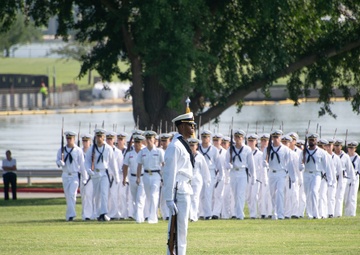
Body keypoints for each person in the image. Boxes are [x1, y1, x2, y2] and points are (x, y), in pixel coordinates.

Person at [163, 111, 196, 255]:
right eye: (190, 125)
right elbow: (169, 173)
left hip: (184, 188)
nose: (193, 127)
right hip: (178, 190)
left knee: (182, 229)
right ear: (182, 126)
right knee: (177, 230)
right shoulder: (175, 146)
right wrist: (169, 199)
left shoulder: (182, 144)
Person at [84, 128, 120, 221]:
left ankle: (104, 213)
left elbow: (113, 163)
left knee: (104, 193)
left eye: (101, 136)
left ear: (103, 137)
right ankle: (97, 212)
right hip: (95, 172)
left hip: (104, 172)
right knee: (96, 195)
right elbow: (87, 161)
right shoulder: (92, 148)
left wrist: (116, 176)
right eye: (97, 136)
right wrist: (88, 170)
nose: (99, 138)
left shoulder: (108, 148)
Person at [56, 131, 86, 221]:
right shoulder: (61, 150)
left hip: (74, 175)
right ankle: (69, 214)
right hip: (65, 175)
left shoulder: (78, 150)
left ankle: (71, 215)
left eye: (70, 138)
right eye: (67, 138)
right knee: (67, 195)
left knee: (72, 194)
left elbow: (82, 164)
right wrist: (59, 163)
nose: (69, 140)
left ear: (74, 139)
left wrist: (85, 177)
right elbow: (57, 161)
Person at [136, 130, 164, 224]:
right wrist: (138, 177)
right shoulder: (142, 151)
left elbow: (164, 164)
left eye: (150, 138)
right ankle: (151, 214)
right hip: (146, 175)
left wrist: (164, 177)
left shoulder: (159, 151)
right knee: (148, 197)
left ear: (154, 139)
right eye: (147, 138)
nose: (148, 140)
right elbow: (139, 165)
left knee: (154, 196)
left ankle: (152, 218)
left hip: (156, 175)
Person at [123, 134, 147, 223]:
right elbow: (125, 166)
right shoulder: (129, 154)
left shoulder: (144, 152)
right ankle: (138, 215)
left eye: (139, 142)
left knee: (140, 198)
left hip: (142, 177)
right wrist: (124, 178)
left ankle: (139, 218)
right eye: (136, 142)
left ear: (142, 143)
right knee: (134, 198)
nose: (137, 144)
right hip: (132, 177)